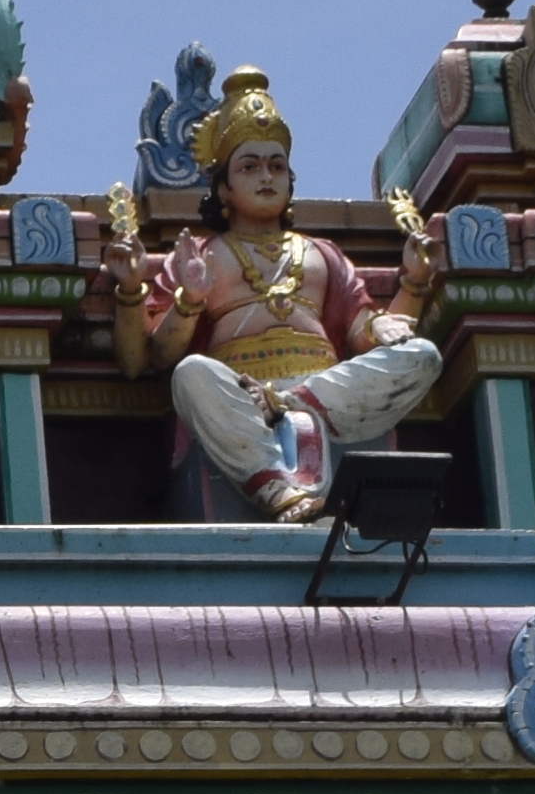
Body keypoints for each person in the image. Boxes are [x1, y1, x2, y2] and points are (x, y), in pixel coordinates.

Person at [110, 66, 442, 523]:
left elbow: (363, 336)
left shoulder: (322, 254)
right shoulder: (202, 254)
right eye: (249, 166)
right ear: (224, 186)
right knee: (191, 374)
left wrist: (413, 286)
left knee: (423, 354)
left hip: (322, 390)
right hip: (242, 396)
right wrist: (184, 296)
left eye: (276, 165)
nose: (266, 176)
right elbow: (146, 359)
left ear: (290, 180)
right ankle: (273, 487)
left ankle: (294, 401)